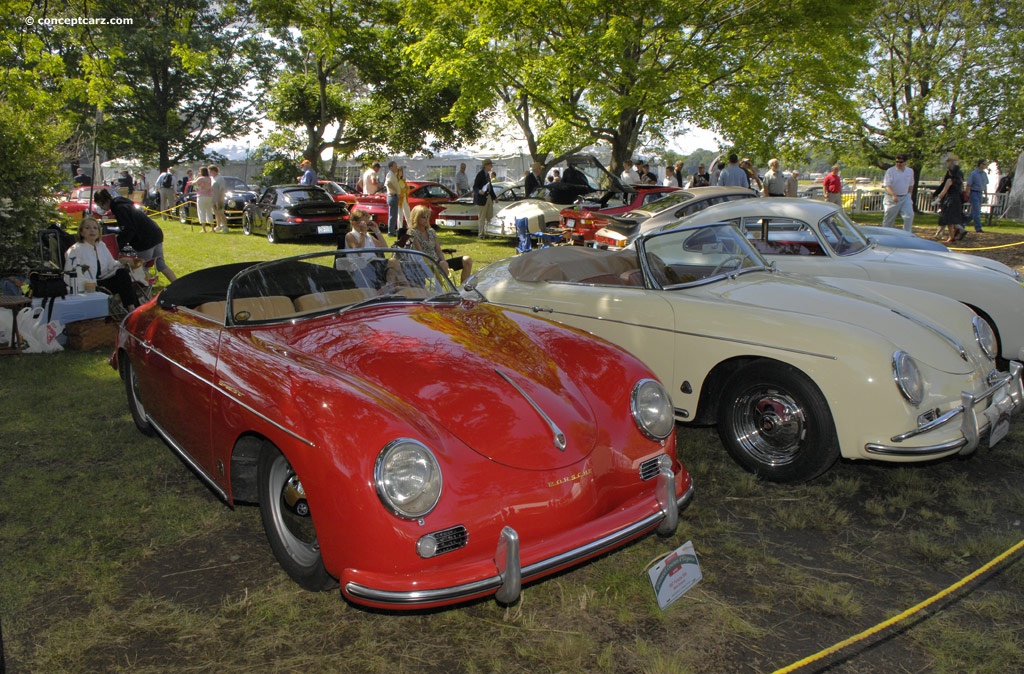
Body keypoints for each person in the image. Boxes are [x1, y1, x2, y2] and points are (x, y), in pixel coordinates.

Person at [92, 188, 177, 283]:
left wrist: (118, 245)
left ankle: (145, 287)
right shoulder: (123, 203)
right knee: (160, 263)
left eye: (100, 205)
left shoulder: (119, 208)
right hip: (155, 234)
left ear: (103, 202)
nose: (102, 208)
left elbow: (128, 230)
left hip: (145, 239)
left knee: (142, 267)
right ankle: (176, 283)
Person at [64, 217, 138, 311]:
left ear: (99, 232)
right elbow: (68, 276)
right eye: (87, 228)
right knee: (124, 281)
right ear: (81, 232)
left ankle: (132, 308)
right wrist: (87, 283)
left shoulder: (101, 245)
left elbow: (111, 265)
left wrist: (123, 262)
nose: (92, 230)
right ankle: (133, 310)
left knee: (122, 274)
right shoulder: (75, 250)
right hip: (88, 286)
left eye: (95, 228)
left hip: (103, 281)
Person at [406, 204, 473, 284]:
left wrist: (443, 261)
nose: (426, 219)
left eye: (428, 217)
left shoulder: (431, 231)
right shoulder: (412, 233)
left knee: (467, 260)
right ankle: (441, 292)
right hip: (424, 265)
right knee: (441, 265)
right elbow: (421, 254)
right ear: (416, 218)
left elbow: (438, 250)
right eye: (423, 217)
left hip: (438, 263)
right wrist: (438, 264)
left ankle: (463, 289)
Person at [934, 154, 967, 243]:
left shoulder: (950, 180)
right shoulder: (959, 179)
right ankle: (951, 236)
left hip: (949, 199)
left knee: (946, 217)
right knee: (951, 219)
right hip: (957, 199)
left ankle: (958, 230)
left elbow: (944, 190)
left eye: (948, 161)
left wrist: (937, 199)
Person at [881, 154, 915, 231]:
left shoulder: (910, 171)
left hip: (905, 197)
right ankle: (886, 234)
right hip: (891, 198)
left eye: (900, 162)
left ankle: (907, 234)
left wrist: (909, 194)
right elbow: (887, 185)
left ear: (905, 162)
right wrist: (893, 195)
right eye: (897, 162)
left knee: (909, 216)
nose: (898, 164)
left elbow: (911, 184)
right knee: (889, 219)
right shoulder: (890, 171)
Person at [473, 159, 497, 238]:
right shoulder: (480, 174)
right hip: (482, 198)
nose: (491, 167)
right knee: (482, 217)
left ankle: (489, 232)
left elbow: (490, 188)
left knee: (490, 216)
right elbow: (475, 186)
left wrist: (494, 198)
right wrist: (479, 191)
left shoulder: (488, 175)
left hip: (488, 197)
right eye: (490, 165)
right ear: (485, 166)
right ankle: (481, 234)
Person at [967, 159, 989, 232]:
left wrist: (985, 194)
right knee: (976, 211)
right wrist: (967, 194)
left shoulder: (984, 174)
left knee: (974, 212)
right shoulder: (974, 173)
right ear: (980, 164)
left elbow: (985, 185)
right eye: (984, 164)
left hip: (980, 193)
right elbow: (969, 184)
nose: (985, 166)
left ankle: (962, 223)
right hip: (974, 193)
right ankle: (978, 228)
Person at [192, 166, 214, 233]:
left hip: (201, 196)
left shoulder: (201, 178)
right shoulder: (210, 178)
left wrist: (197, 177)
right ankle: (212, 228)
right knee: (209, 211)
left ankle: (204, 229)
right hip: (209, 196)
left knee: (201, 211)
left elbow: (194, 183)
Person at [209, 165, 228, 233]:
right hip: (213, 198)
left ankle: (225, 226)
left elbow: (222, 189)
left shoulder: (220, 178)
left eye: (210, 171)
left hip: (219, 198)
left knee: (220, 212)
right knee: (216, 213)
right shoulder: (212, 178)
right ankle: (218, 225)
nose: (210, 173)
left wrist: (220, 199)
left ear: (214, 171)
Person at [384, 161, 401, 237]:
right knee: (392, 215)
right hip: (392, 196)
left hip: (394, 196)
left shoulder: (393, 174)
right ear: (391, 167)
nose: (396, 167)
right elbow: (388, 183)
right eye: (395, 166)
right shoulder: (390, 174)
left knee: (393, 215)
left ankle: (392, 231)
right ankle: (391, 232)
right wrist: (396, 191)